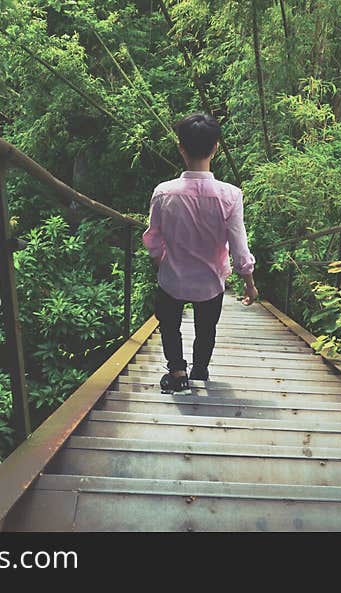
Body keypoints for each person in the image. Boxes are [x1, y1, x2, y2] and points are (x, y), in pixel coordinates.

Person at [142, 112, 258, 394]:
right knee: (206, 329)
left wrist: (161, 262)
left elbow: (153, 237)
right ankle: (200, 369)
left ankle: (177, 371)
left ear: (181, 148)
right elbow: (239, 247)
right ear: (216, 147)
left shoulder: (163, 192)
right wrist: (249, 284)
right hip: (210, 282)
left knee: (169, 326)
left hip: (172, 278)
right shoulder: (231, 195)